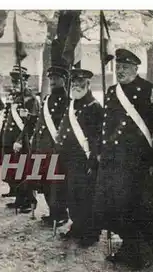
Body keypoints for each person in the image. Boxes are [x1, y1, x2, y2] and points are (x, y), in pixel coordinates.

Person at [93, 48, 153, 270]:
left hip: (138, 162)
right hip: (115, 161)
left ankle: (141, 252)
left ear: (136, 68)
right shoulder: (113, 91)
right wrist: (101, 151)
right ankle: (128, 248)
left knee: (138, 207)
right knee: (118, 206)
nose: (120, 71)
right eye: (118, 67)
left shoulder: (149, 90)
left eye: (125, 67)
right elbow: (107, 125)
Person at [51, 69, 103, 247]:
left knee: (86, 196)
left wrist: (93, 159)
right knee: (72, 195)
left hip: (84, 159)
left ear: (88, 85)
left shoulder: (94, 107)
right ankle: (77, 226)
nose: (76, 86)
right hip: (68, 158)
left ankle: (90, 233)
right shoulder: (71, 105)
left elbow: (97, 136)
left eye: (80, 83)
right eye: (73, 83)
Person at [15, 65, 69, 223]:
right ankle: (53, 213)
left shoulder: (66, 101)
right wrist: (30, 118)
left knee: (55, 184)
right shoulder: (47, 99)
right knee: (44, 182)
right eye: (50, 78)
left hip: (55, 149)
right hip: (41, 148)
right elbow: (41, 120)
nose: (52, 81)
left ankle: (60, 215)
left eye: (56, 78)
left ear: (64, 80)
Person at [0, 66, 40, 213]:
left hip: (22, 140)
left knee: (24, 171)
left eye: (18, 80)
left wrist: (20, 140)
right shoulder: (16, 97)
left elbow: (32, 123)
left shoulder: (31, 99)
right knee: (15, 170)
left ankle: (29, 202)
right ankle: (19, 199)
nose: (15, 83)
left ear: (25, 81)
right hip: (11, 141)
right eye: (14, 80)